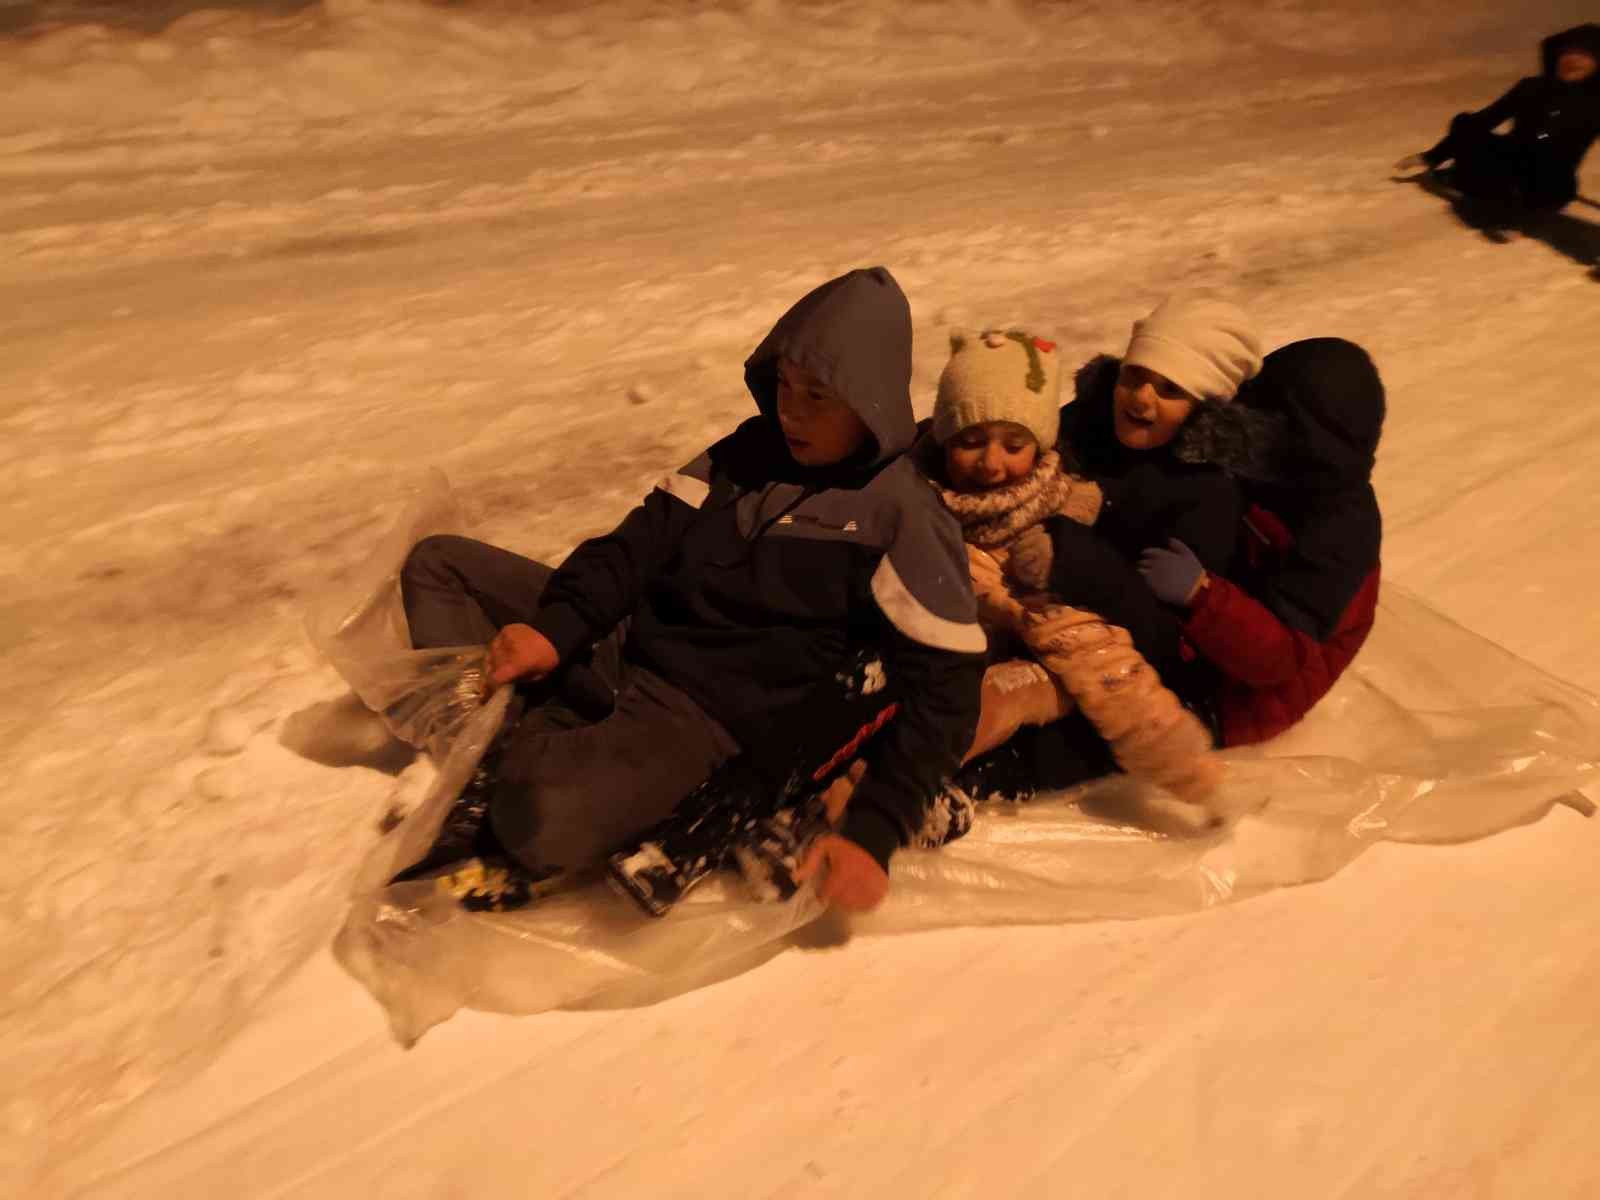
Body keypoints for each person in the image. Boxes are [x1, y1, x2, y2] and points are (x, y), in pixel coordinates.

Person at [391, 266, 987, 913]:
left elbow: (946, 693)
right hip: (627, 641)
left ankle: (527, 757)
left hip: (701, 720)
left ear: (869, 400)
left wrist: (875, 833)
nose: (790, 410)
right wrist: (556, 627)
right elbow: (637, 543)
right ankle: (481, 748)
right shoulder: (748, 450)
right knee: (438, 565)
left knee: (535, 816)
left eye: (817, 396)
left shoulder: (903, 516)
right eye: (785, 386)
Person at [945, 295, 1264, 810]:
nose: (1140, 397)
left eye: (1169, 389)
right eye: (1134, 375)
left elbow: (1166, 640)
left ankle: (966, 786)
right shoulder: (1085, 426)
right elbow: (1006, 434)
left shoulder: (1205, 495)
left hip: (1124, 651)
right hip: (1018, 609)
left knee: (1037, 707)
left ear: (1203, 408)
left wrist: (1072, 557)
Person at [1136, 338, 1385, 747]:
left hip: (1241, 700)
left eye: (1261, 413)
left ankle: (1007, 773)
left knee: (1101, 717)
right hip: (1196, 639)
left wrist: (1202, 595)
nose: (1243, 420)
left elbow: (1278, 660)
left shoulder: (1338, 535)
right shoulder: (1267, 468)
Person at [1396, 24, 1600, 226]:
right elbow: (1484, 120)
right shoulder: (1531, 87)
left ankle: (1492, 196)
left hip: (1550, 183)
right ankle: (1472, 183)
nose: (1572, 59)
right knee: (1465, 122)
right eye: (1568, 52)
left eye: (1584, 54)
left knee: (1530, 168)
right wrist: (1432, 156)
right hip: (1512, 162)